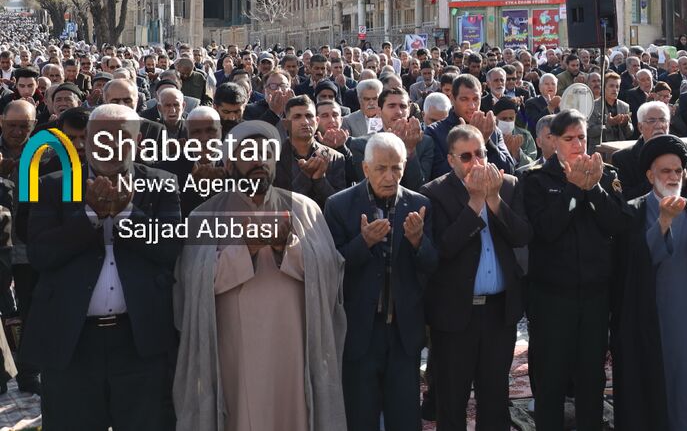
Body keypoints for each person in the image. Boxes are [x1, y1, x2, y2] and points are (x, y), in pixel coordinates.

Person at [175, 119, 347, 431]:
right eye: (249, 154)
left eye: (266, 154)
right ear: (229, 164)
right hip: (234, 348)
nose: (259, 162)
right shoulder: (205, 215)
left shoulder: (304, 209)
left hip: (293, 345)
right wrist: (246, 248)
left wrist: (286, 247)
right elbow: (194, 282)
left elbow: (329, 270)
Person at [25, 103, 182, 431]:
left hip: (139, 342)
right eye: (101, 137)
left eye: (120, 138)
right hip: (72, 342)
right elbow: (40, 254)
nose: (109, 146)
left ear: (137, 142)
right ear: (86, 140)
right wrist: (90, 216)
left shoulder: (162, 184)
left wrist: (126, 214)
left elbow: (169, 250)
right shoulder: (52, 184)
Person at [611, 135, 687, 431]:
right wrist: (663, 222)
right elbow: (637, 264)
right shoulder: (634, 210)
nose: (673, 177)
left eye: (678, 171)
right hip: (650, 315)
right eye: (665, 171)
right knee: (655, 379)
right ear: (650, 175)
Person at [520, 110, 627, 431]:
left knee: (592, 376)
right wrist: (572, 189)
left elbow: (617, 224)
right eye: (569, 139)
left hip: (595, 296)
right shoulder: (536, 179)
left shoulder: (605, 174)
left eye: (581, 137)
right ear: (553, 141)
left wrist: (592, 189)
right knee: (551, 377)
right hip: (552, 298)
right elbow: (546, 230)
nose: (578, 144)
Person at [325, 132, 437, 431]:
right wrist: (363, 243)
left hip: (403, 331)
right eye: (381, 168)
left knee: (405, 416)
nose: (390, 176)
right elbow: (331, 268)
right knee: (361, 416)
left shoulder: (419, 204)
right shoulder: (339, 205)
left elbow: (432, 265)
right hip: (360, 330)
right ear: (365, 168)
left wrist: (418, 242)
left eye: (396, 168)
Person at [424, 124, 532, 431]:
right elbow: (444, 248)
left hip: (499, 311)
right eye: (466, 156)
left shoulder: (507, 185)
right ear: (451, 160)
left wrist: (494, 200)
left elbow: (522, 236)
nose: (476, 162)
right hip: (456, 314)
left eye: (481, 153)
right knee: (452, 398)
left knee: (495, 397)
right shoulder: (433, 193)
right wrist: (474, 203)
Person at [609, 101, 687, 201]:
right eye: (651, 121)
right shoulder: (623, 158)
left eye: (663, 120)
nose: (659, 125)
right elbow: (623, 199)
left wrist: (686, 181)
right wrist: (657, 180)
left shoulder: (686, 150)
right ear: (640, 127)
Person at [588, 72, 635, 148]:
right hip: (600, 150)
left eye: (617, 86)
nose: (615, 89)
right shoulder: (593, 106)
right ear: (603, 87)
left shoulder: (624, 106)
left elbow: (630, 133)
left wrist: (625, 124)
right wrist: (608, 124)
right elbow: (589, 131)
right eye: (611, 86)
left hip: (619, 150)